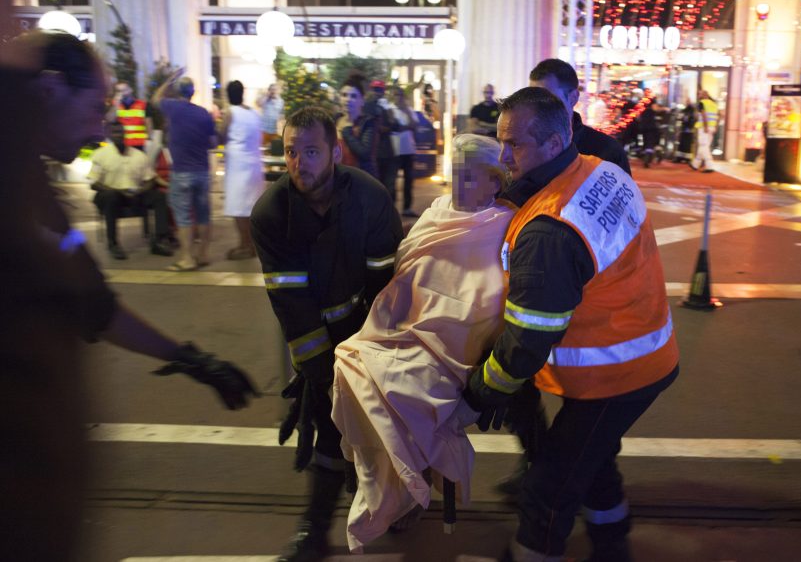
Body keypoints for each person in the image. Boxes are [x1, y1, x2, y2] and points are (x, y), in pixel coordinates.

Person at [0, 28, 256, 562]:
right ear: (46, 91)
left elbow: (91, 297)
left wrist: (191, 359)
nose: (102, 127)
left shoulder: (32, 189)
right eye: (95, 107)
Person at [463, 87, 679, 561]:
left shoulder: (550, 229)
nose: (503, 156)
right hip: (641, 350)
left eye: (514, 145)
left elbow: (528, 337)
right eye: (500, 142)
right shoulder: (601, 171)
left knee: (549, 487)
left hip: (617, 373)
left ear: (555, 143)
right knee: (592, 460)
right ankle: (612, 543)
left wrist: (485, 388)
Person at [332, 134, 514, 552]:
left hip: (462, 344)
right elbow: (406, 273)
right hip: (409, 327)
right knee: (351, 363)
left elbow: (493, 297)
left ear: (494, 182)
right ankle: (397, 484)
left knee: (404, 387)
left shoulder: (506, 222)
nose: (459, 185)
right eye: (455, 175)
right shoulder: (436, 213)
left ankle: (409, 487)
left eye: (471, 177)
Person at [250, 106, 403, 561]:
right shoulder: (271, 213)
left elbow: (388, 286)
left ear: (336, 151)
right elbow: (292, 306)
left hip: (371, 326)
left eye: (311, 151)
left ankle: (396, 500)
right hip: (313, 331)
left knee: (388, 423)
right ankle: (315, 529)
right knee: (328, 423)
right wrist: (323, 377)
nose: (299, 163)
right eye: (291, 151)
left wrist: (372, 357)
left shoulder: (370, 198)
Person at [151, 69, 218, 271]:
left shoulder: (172, 108)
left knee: (183, 217)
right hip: (202, 171)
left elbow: (155, 99)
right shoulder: (203, 113)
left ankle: (187, 258)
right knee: (203, 214)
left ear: (177, 92)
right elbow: (213, 142)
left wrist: (169, 78)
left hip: (181, 171)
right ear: (193, 92)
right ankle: (203, 254)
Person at [528, 58, 631, 176]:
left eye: (548, 99)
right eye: (533, 98)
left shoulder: (606, 150)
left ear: (573, 98)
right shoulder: (523, 143)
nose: (539, 106)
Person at [89, 119, 174, 259]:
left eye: (121, 132)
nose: (119, 135)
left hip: (135, 194)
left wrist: (140, 190)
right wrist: (117, 191)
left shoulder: (139, 155)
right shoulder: (100, 154)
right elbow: (94, 183)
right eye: (115, 132)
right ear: (109, 134)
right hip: (110, 194)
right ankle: (113, 243)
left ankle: (160, 240)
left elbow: (150, 179)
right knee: (111, 197)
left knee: (159, 196)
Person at [218, 80, 265, 260]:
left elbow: (221, 134)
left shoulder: (230, 112)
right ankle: (250, 244)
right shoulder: (254, 113)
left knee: (239, 209)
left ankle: (246, 245)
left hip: (237, 166)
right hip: (254, 164)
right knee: (250, 208)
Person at [338, 76, 379, 178]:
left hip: (360, 179)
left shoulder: (367, 122)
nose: (348, 99)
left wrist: (347, 133)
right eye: (344, 95)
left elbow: (365, 154)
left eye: (353, 96)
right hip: (338, 178)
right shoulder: (335, 120)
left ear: (362, 100)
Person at [389, 86, 420, 217]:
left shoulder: (408, 110)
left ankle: (407, 208)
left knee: (409, 180)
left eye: (400, 95)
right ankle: (392, 209)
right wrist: (404, 127)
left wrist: (406, 116)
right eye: (396, 95)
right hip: (394, 150)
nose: (398, 97)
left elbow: (415, 125)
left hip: (408, 150)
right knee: (392, 181)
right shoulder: (390, 109)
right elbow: (392, 124)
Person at [110, 80, 151, 150]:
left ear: (131, 90)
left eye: (125, 90)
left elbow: (148, 123)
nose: (122, 93)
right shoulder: (115, 105)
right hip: (120, 144)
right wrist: (116, 106)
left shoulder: (142, 104)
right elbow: (110, 120)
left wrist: (149, 138)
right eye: (119, 91)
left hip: (138, 144)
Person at [691, 89, 718, 172]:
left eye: (699, 94)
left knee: (703, 146)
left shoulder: (702, 103)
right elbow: (719, 115)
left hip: (704, 128)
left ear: (703, 95)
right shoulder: (713, 104)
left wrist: (705, 126)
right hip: (712, 127)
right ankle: (695, 164)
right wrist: (715, 126)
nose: (698, 96)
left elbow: (704, 115)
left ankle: (710, 166)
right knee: (704, 146)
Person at [637, 96, 663, 168]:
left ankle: (649, 158)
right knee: (651, 145)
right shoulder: (652, 112)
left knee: (648, 144)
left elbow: (640, 120)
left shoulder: (644, 111)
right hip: (652, 130)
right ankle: (648, 159)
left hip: (646, 130)